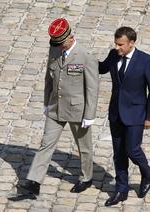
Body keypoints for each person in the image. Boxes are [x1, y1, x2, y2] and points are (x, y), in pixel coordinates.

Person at [15, 18, 99, 198]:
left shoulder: (86, 56)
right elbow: (49, 77)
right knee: (46, 144)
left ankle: (86, 177)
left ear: (70, 38)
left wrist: (89, 114)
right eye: (56, 44)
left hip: (78, 110)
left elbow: (92, 88)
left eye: (61, 43)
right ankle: (34, 183)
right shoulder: (54, 49)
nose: (58, 47)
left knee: (84, 147)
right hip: (55, 107)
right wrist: (46, 102)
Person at [98, 26, 150, 206]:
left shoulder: (146, 61)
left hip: (136, 113)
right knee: (118, 153)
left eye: (121, 45)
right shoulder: (113, 55)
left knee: (132, 149)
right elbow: (101, 69)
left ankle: (146, 173)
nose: (117, 48)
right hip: (116, 113)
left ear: (132, 43)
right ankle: (121, 189)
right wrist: (82, 58)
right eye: (116, 44)